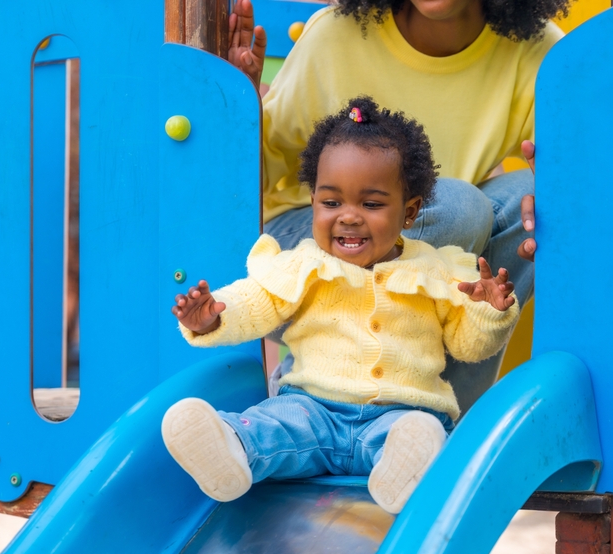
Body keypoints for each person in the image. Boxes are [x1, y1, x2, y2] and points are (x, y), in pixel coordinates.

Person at [161, 98, 519, 514]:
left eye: (370, 204)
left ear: (410, 211)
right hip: (312, 408)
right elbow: (256, 299)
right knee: (273, 424)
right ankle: (229, 448)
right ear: (313, 200)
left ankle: (402, 471)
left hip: (397, 414)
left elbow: (468, 346)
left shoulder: (439, 269)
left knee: (416, 431)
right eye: (331, 203)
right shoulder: (304, 263)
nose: (348, 217)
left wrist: (488, 311)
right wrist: (212, 316)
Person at [226, 0, 561, 413]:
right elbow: (246, 184)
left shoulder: (535, 50)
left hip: (422, 248)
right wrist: (234, 112)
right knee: (461, 208)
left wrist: (558, 189)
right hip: (301, 266)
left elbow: (585, 177)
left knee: (539, 205)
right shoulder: (337, 35)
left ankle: (436, 413)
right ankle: (319, 390)